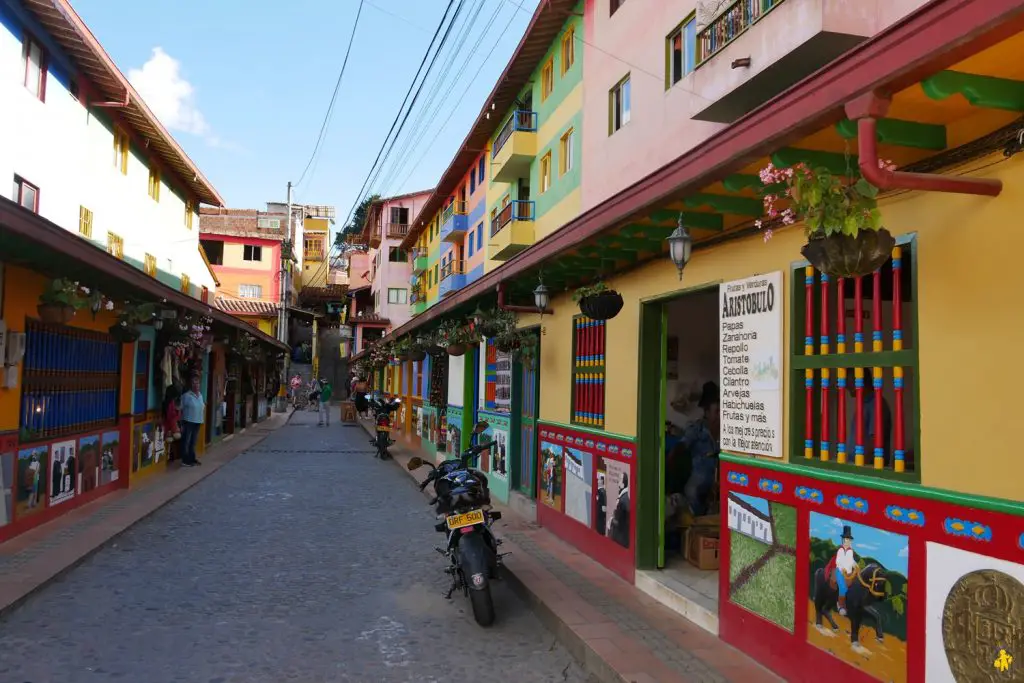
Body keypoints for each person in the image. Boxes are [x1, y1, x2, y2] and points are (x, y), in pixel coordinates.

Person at [679, 381, 721, 517]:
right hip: (696, 489)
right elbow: (679, 449)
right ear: (707, 412)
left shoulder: (727, 434)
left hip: (717, 489)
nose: (720, 416)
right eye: (717, 411)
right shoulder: (696, 429)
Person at [180, 375, 206, 467]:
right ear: (191, 385)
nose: (196, 385)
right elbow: (180, 407)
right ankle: (185, 460)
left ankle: (192, 458)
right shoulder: (186, 396)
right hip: (188, 421)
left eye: (198, 383)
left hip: (198, 421)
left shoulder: (200, 395)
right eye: (194, 383)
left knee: (193, 441)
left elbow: (202, 406)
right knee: (186, 440)